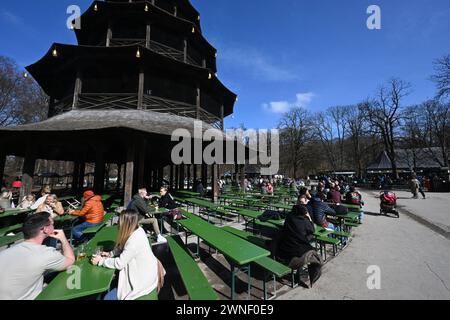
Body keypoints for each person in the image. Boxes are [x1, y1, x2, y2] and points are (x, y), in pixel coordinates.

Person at [91, 210, 166, 300]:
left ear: (125, 224)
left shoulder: (134, 241)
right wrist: (110, 254)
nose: (117, 223)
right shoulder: (138, 229)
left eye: (119, 221)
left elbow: (120, 263)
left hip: (143, 281)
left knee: (108, 298)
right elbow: (122, 246)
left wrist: (100, 261)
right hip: (149, 270)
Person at [0, 212, 75, 300]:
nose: (54, 226)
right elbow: (70, 260)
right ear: (45, 229)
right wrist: (63, 239)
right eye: (52, 224)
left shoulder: (6, 252)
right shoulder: (46, 254)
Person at [276, 195, 322, 287]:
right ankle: (308, 274)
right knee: (309, 244)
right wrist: (309, 218)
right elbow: (312, 229)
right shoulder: (305, 222)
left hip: (283, 250)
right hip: (296, 252)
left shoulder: (289, 217)